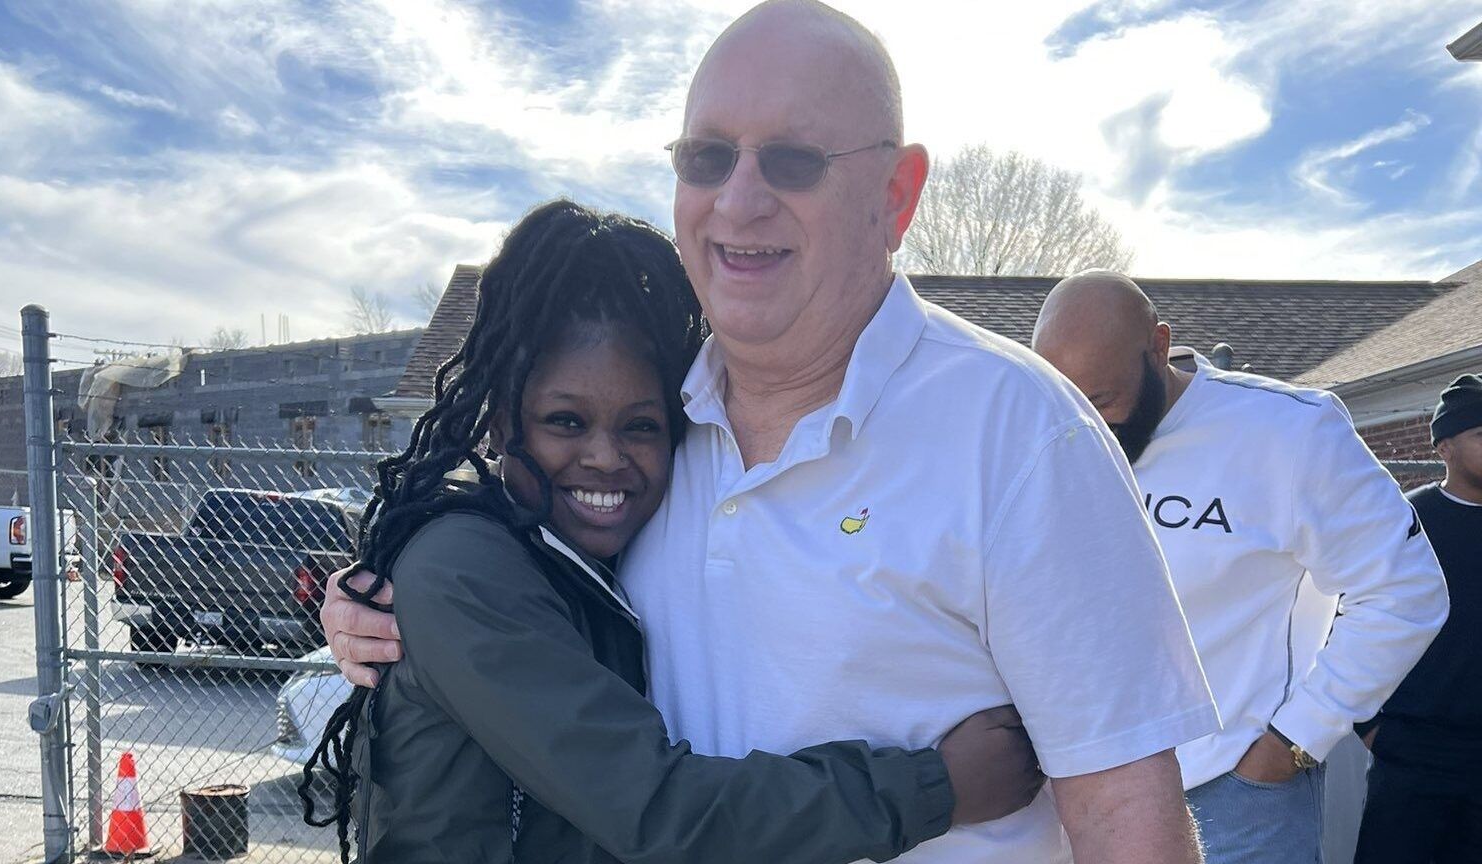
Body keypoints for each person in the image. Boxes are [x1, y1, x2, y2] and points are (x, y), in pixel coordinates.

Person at [324, 3, 1223, 861]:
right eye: (708, 157)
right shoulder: (663, 424)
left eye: (793, 160)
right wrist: (384, 593)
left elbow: (1125, 814)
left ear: (897, 194)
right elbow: (521, 600)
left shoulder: (1022, 435)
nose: (740, 199)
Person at [301, 199, 1045, 863]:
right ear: (500, 423)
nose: (606, 456)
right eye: (566, 421)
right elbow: (653, 808)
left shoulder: (590, 546)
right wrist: (934, 786)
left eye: (641, 426)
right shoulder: (465, 566)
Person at [1031, 270, 1449, 864]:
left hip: (1231, 792)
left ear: (1158, 347)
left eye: (1100, 401)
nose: (1088, 424)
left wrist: (1295, 741)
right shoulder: (1052, 429)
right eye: (1067, 401)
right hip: (1082, 789)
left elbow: (1405, 590)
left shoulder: (1287, 432)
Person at [1353, 373, 1482, 863]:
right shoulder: (1408, 522)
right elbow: (1349, 616)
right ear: (1444, 447)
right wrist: (1369, 725)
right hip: (1413, 751)